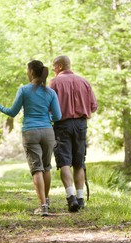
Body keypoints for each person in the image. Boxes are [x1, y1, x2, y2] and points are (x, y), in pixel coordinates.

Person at [0, 60, 62, 216]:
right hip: (47, 131)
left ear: (32, 72)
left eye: (28, 70)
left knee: (36, 169)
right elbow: (58, 116)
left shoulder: (24, 90)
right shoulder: (50, 92)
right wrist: (46, 116)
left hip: (30, 132)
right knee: (46, 167)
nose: (27, 72)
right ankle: (46, 200)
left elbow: (12, 112)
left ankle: (42, 206)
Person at [49, 55, 98, 212]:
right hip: (81, 125)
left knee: (63, 161)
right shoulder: (84, 82)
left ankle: (71, 197)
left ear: (60, 66)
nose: (52, 69)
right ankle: (80, 197)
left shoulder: (54, 82)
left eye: (54, 66)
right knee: (79, 162)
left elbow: (48, 104)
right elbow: (93, 106)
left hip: (62, 124)